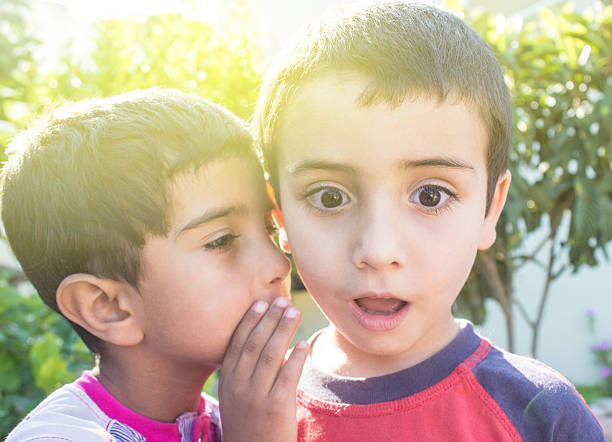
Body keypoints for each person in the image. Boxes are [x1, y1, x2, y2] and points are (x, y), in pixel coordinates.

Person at [252, 2, 605, 440]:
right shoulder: (255, 411)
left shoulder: (541, 417)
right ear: (279, 212)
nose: (379, 251)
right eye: (329, 196)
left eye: (430, 195)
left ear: (490, 208)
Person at [2, 88, 309, 442]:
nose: (279, 264)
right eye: (221, 240)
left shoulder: (241, 420)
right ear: (108, 307)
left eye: (270, 229)